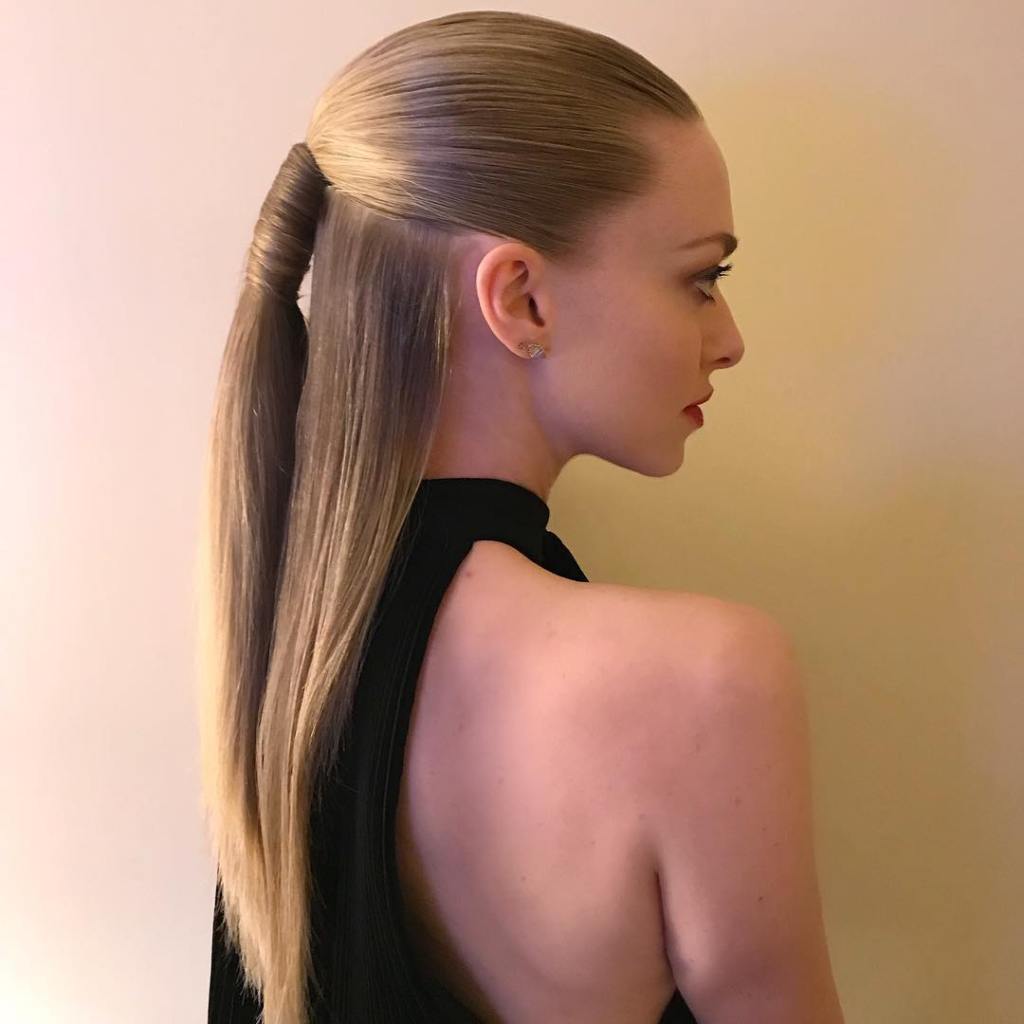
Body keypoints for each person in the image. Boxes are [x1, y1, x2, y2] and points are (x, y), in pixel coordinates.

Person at [198, 10, 845, 1023]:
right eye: (701, 278)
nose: (729, 340)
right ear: (522, 300)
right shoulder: (705, 678)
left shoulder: (285, 652)